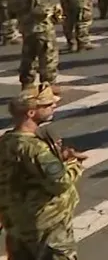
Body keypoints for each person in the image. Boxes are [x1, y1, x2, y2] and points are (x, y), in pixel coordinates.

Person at [0, 84, 86, 259]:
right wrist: (72, 163)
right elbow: (61, 183)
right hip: (47, 226)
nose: (53, 106)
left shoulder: (5, 141)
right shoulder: (36, 149)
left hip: (17, 224)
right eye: (46, 105)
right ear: (31, 113)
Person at [9, 0, 60, 90]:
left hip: (26, 28)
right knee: (48, 59)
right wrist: (55, 10)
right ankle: (48, 86)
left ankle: (27, 85)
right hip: (41, 29)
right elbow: (41, 12)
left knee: (28, 57)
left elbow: (11, 9)